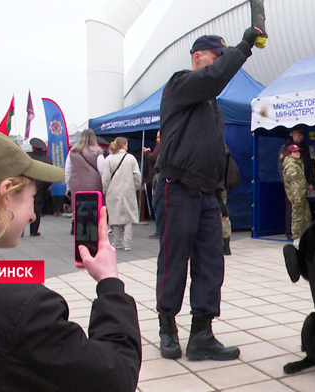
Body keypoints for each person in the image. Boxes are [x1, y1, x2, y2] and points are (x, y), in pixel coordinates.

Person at [0, 127, 141, 391]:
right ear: (5, 195)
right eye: (32, 197)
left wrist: (24, 275)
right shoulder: (24, 307)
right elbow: (116, 376)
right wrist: (110, 284)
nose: (32, 215)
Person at [154, 28, 261, 361]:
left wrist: (219, 196)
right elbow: (213, 78)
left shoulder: (211, 105)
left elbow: (215, 151)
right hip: (178, 188)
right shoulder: (181, 84)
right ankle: (167, 328)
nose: (220, 67)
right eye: (217, 58)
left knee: (211, 264)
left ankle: (201, 333)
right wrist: (243, 47)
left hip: (206, 195)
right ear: (198, 57)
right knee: (174, 262)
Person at [102, 137, 142, 251]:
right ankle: (127, 243)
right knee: (128, 217)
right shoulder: (130, 158)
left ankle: (116, 241)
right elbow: (137, 175)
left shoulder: (108, 159)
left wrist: (106, 190)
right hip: (128, 190)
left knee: (115, 217)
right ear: (124, 145)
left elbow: (105, 178)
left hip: (113, 191)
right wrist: (136, 186)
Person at [65, 129, 105, 234]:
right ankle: (92, 228)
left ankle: (78, 228)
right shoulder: (98, 151)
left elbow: (67, 170)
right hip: (94, 184)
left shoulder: (72, 151)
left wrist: (68, 186)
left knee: (79, 207)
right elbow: (102, 170)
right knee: (93, 207)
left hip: (76, 184)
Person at [278, 127, 315, 240]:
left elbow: (308, 167)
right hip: (293, 187)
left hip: (302, 184)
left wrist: (310, 181)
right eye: (298, 134)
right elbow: (282, 168)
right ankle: (292, 233)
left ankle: (304, 232)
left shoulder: (304, 149)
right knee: (293, 209)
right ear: (292, 134)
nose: (300, 137)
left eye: (301, 134)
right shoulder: (285, 149)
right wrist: (288, 185)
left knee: (304, 212)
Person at [283, 144, 312, 244]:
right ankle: (297, 238)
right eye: (295, 152)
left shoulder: (298, 164)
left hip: (302, 196)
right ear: (290, 154)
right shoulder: (291, 167)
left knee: (306, 217)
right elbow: (293, 184)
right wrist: (297, 199)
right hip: (298, 198)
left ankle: (305, 236)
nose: (298, 153)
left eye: (298, 151)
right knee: (297, 217)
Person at [26, 137, 53, 237]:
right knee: (36, 208)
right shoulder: (47, 159)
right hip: (40, 187)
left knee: (23, 207)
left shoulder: (27, 157)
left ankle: (20, 231)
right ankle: (34, 231)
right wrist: (45, 187)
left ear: (33, 147)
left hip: (27, 185)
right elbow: (50, 176)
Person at [144, 132, 162, 239]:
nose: (156, 139)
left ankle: (159, 230)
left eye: (158, 137)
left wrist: (147, 153)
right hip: (157, 178)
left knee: (156, 204)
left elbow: (154, 158)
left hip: (157, 178)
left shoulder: (161, 145)